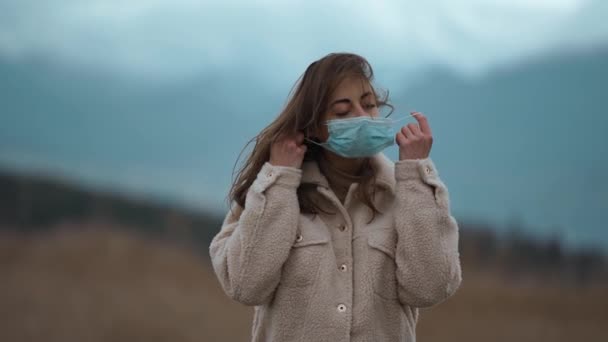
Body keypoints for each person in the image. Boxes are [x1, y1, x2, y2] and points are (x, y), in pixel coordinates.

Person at [209, 52, 462, 342]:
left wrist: (417, 174)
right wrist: (279, 179)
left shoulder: (404, 191)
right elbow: (244, 285)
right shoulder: (272, 191)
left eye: (369, 105)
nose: (362, 118)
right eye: (343, 111)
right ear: (315, 125)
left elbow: (429, 288)